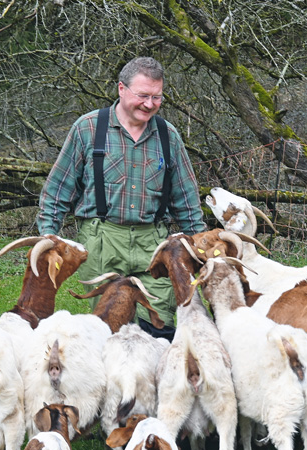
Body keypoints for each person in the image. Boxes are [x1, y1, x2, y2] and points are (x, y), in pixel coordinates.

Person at [37, 57, 206, 341]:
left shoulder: (169, 136)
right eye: (143, 95)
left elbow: (187, 202)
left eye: (157, 97)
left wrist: (199, 250)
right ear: (121, 89)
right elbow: (56, 192)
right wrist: (48, 241)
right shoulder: (88, 129)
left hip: (154, 245)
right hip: (102, 241)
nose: (150, 104)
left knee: (159, 331)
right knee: (106, 331)